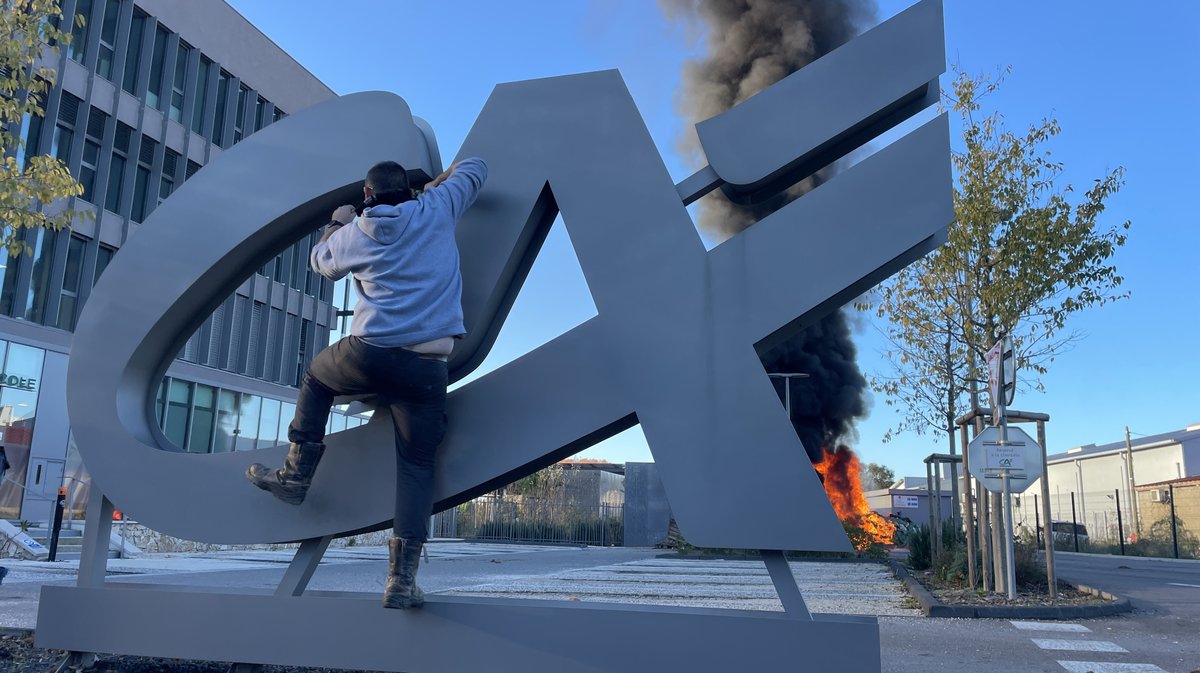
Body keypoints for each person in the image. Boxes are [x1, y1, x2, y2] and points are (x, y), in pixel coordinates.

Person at [247, 157, 487, 609]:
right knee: (417, 469)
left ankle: (297, 475)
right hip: (426, 367)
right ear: (408, 191)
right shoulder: (438, 207)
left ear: (367, 196)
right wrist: (442, 180)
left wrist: (335, 225)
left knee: (317, 379)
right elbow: (476, 167)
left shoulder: (355, 232)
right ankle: (401, 580)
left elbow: (320, 263)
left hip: (368, 355)